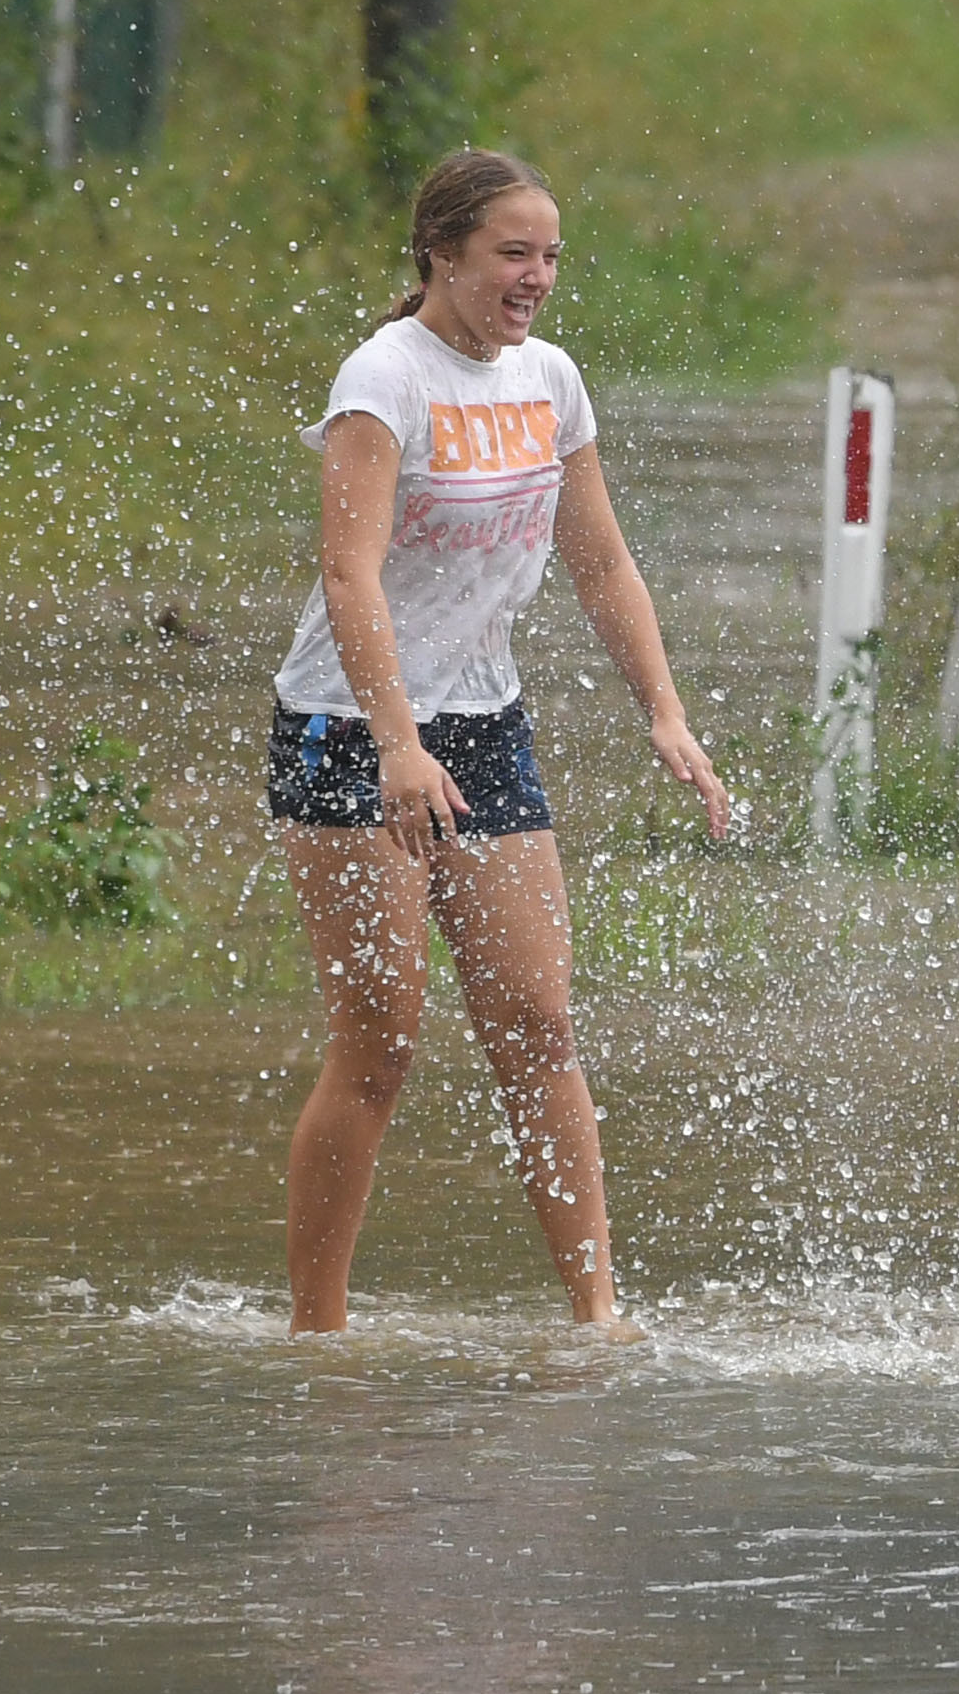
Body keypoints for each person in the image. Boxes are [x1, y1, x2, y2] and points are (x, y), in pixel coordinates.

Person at [269, 145, 733, 1336]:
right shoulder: (385, 379)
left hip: (486, 724)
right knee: (381, 1039)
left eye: (551, 256)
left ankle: (597, 1315)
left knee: (537, 1026)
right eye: (513, 253)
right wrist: (394, 740)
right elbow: (347, 571)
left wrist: (665, 712)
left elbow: (602, 560)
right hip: (347, 730)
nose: (537, 277)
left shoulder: (549, 378)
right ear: (442, 252)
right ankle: (317, 1332)